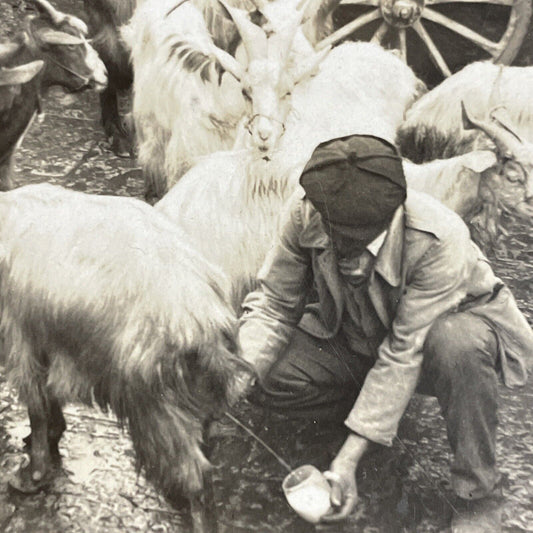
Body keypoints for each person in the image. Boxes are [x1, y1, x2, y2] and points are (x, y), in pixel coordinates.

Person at [232, 134, 533, 532]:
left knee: (458, 345)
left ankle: (479, 492)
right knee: (264, 372)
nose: (351, 263)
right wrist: (236, 376)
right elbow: (274, 305)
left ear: (393, 215)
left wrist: (347, 460)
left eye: (363, 246)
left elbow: (403, 353)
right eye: (338, 244)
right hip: (358, 330)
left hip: (438, 336)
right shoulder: (306, 212)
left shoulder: (440, 238)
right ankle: (365, 423)